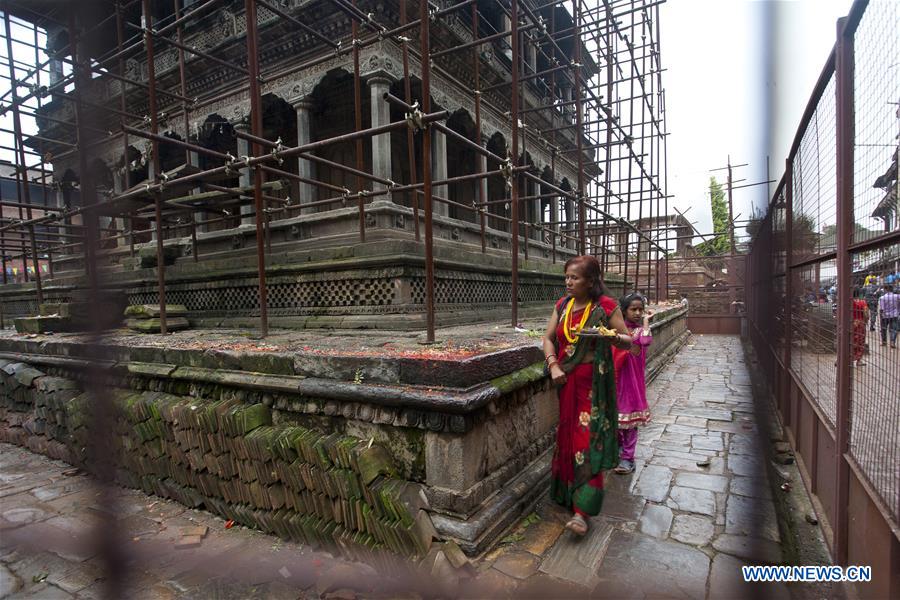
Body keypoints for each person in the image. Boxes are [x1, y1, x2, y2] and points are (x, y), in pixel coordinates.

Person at [542, 255, 632, 536]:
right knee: (566, 436)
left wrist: (613, 338)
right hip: (565, 381)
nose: (568, 282)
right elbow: (548, 338)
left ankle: (583, 511)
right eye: (566, 277)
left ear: (591, 281)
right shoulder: (563, 305)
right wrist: (553, 364)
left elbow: (628, 340)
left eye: (575, 278)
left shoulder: (605, 306)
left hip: (593, 385)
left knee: (585, 440)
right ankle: (567, 495)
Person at [612, 293, 653, 474]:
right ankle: (620, 451)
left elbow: (645, 341)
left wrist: (645, 322)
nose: (637, 313)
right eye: (633, 309)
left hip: (632, 383)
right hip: (616, 381)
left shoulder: (638, 333)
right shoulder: (617, 332)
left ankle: (628, 458)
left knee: (630, 421)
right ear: (623, 311)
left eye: (640, 310)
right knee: (618, 421)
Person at [851, 288, 869, 366]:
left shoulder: (849, 302)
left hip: (850, 323)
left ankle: (847, 359)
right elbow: (866, 313)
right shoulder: (862, 302)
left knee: (849, 340)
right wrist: (865, 321)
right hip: (860, 323)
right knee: (860, 341)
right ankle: (858, 360)